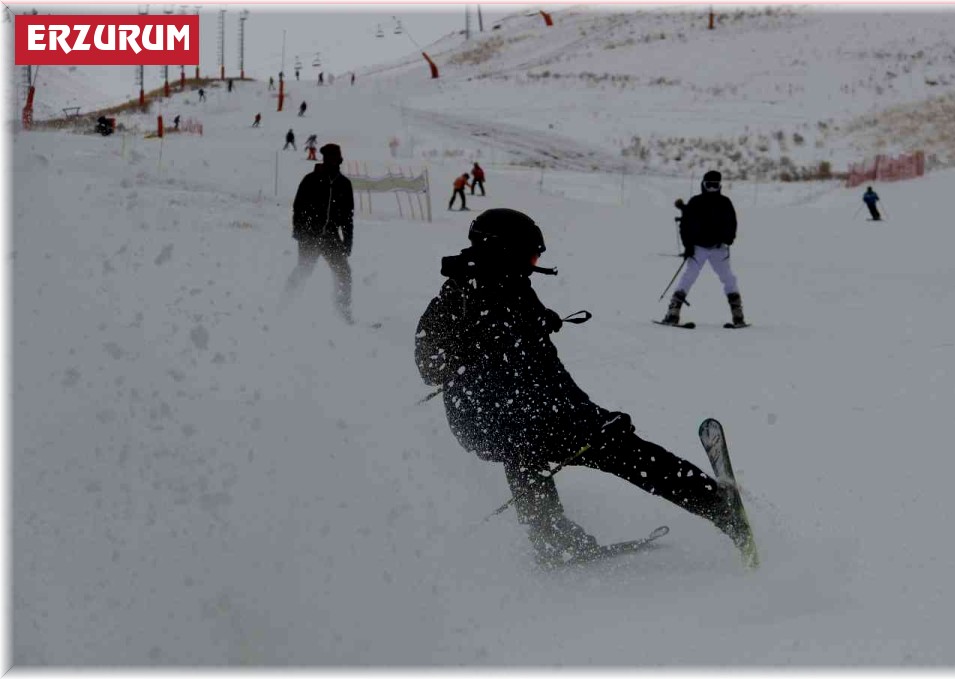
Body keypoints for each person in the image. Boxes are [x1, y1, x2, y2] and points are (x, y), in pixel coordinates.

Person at [414, 209, 752, 568]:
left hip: (527, 412)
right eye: (530, 254)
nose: (535, 263)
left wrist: (591, 415)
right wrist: (477, 343)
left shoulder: (514, 288)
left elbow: (548, 370)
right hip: (483, 419)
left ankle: (554, 539)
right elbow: (428, 364)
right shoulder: (459, 295)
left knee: (586, 447)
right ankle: (713, 506)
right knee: (558, 446)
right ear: (503, 249)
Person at [662, 170, 747, 328]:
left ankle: (738, 314)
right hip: (698, 248)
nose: (712, 189)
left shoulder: (725, 203)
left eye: (715, 186)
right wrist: (688, 246)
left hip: (719, 249)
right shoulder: (695, 202)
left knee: (728, 278)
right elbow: (685, 226)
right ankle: (673, 311)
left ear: (720, 186)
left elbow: (732, 223)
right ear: (703, 185)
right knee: (688, 277)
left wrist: (729, 238)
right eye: (709, 185)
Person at [283, 143, 354, 324]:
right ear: (324, 159)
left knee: (343, 272)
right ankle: (286, 304)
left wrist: (347, 242)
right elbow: (298, 207)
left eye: (335, 158)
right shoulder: (310, 180)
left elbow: (347, 217)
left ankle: (342, 311)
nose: (332, 162)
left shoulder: (344, 185)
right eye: (329, 158)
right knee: (304, 269)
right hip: (309, 235)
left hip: (331, 236)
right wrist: (299, 231)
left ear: (339, 160)